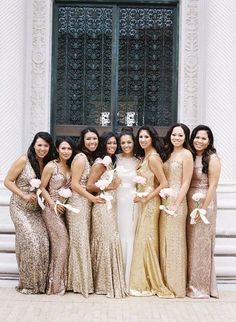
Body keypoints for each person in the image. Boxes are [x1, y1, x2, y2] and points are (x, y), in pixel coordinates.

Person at [4, 132, 55, 294]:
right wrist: (23, 195)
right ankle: (29, 284)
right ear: (34, 145)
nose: (42, 148)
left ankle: (40, 284)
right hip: (19, 207)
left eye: (46, 145)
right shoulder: (23, 160)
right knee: (31, 242)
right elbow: (7, 181)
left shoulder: (46, 163)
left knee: (43, 242)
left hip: (36, 210)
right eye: (39, 145)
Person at [129, 125, 174, 297]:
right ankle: (142, 279)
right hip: (142, 202)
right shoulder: (144, 156)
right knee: (141, 239)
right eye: (140, 137)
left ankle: (147, 282)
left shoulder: (153, 157)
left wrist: (146, 198)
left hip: (150, 203)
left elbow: (163, 183)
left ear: (152, 138)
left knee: (145, 240)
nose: (142, 140)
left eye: (146, 137)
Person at [87, 132, 126, 298]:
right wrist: (110, 187)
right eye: (109, 143)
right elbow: (89, 186)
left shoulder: (110, 162)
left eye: (114, 143)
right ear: (103, 145)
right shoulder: (100, 163)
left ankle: (106, 281)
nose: (112, 146)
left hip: (111, 207)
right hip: (102, 207)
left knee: (110, 239)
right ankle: (103, 283)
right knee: (105, 240)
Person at [66, 127, 104, 298]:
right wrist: (93, 198)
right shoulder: (80, 158)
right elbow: (74, 184)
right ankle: (79, 283)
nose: (92, 142)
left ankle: (83, 281)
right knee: (79, 241)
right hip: (78, 203)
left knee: (83, 240)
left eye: (95, 139)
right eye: (88, 139)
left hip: (85, 203)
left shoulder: (90, 157)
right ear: (82, 141)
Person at [159, 123, 193, 297]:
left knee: (175, 242)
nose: (176, 138)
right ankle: (164, 282)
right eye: (174, 135)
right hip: (164, 201)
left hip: (177, 203)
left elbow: (186, 182)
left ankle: (176, 286)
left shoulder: (187, 155)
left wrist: (176, 203)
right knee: (164, 240)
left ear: (185, 137)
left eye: (180, 135)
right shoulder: (167, 152)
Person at [187, 125, 221, 298]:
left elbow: (213, 186)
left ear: (209, 141)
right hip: (189, 201)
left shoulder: (212, 159)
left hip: (205, 203)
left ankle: (200, 287)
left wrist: (202, 209)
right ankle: (188, 282)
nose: (199, 141)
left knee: (201, 243)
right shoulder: (190, 156)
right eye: (197, 137)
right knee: (190, 243)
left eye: (203, 138)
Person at [40, 137, 76, 295]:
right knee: (62, 242)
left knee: (62, 246)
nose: (66, 151)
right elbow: (42, 187)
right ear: (57, 149)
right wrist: (53, 204)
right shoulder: (51, 166)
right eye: (63, 148)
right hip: (51, 209)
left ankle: (62, 282)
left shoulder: (70, 166)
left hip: (65, 210)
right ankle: (55, 286)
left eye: (69, 149)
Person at [116, 130, 139, 291]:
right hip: (117, 199)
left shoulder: (139, 161)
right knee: (118, 232)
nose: (126, 145)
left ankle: (129, 276)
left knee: (129, 234)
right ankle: (117, 275)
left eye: (129, 142)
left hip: (132, 199)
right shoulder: (114, 159)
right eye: (123, 142)